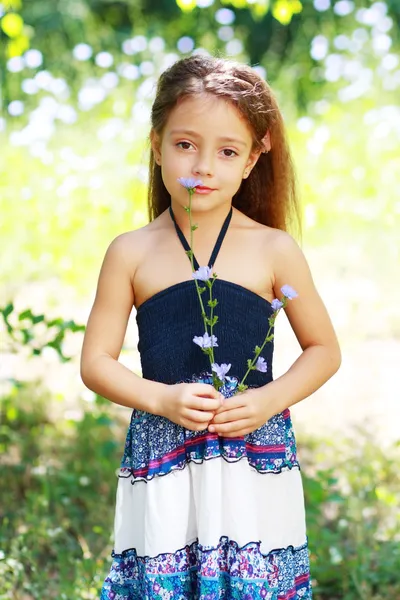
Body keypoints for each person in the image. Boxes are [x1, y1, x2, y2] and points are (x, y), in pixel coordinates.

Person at [80, 54, 341, 600]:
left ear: (251, 161)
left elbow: (323, 349)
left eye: (226, 152)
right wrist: (162, 399)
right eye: (184, 145)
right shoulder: (130, 252)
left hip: (254, 450)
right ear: (156, 145)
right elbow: (96, 362)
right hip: (163, 451)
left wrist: (269, 401)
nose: (202, 167)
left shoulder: (273, 249)